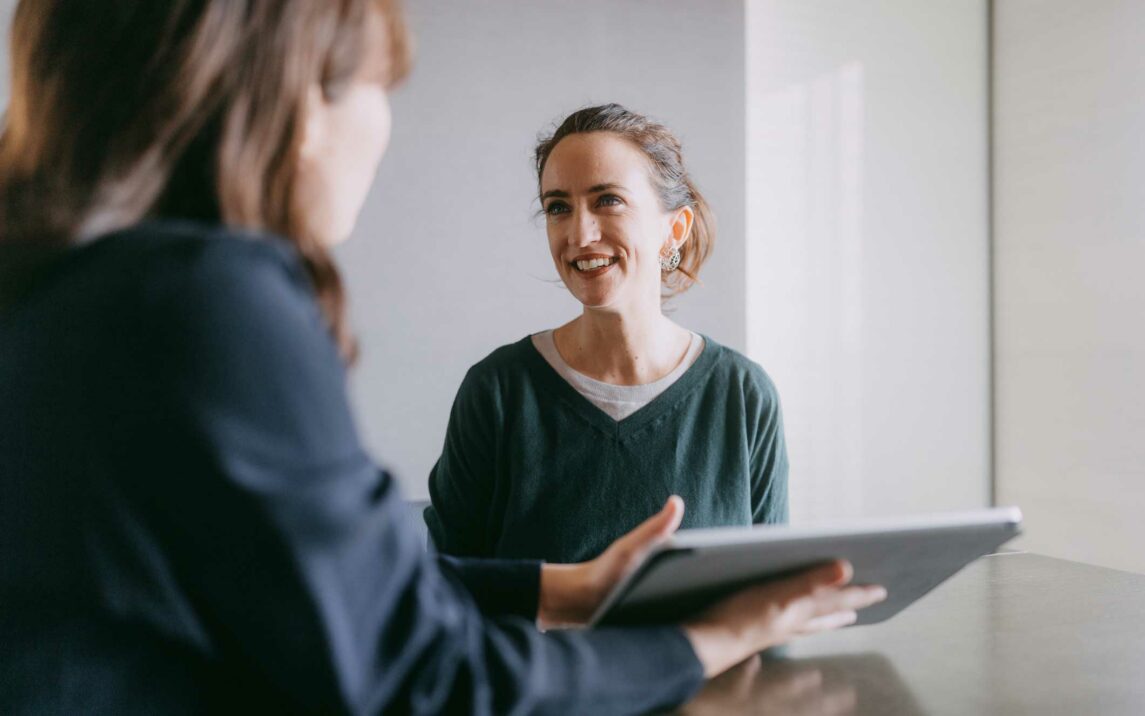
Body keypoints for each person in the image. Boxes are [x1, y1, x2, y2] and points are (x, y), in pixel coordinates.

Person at [0, 1, 886, 714]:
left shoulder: (64, 287)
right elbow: (415, 669)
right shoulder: (206, 299)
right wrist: (703, 644)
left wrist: (562, 589)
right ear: (299, 100)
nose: (381, 128)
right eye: (379, 86)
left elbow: (339, 589)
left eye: (606, 201)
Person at [425, 104, 788, 564]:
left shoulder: (742, 394)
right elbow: (443, 592)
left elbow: (770, 599)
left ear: (674, 229)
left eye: (607, 200)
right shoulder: (498, 391)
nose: (579, 234)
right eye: (558, 207)